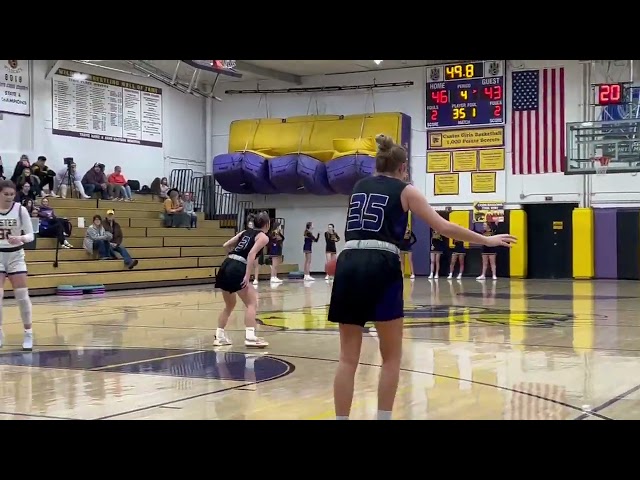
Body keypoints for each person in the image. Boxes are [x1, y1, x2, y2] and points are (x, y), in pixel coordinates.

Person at [328, 134, 516, 420]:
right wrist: (487, 241)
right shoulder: (407, 190)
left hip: (349, 259)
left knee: (347, 358)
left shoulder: (358, 187)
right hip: (381, 261)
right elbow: (444, 227)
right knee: (391, 357)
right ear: (403, 168)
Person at [213, 211, 271, 348]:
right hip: (238, 267)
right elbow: (251, 254)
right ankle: (250, 337)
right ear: (267, 224)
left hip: (226, 264)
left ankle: (219, 336)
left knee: (229, 305)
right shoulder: (263, 237)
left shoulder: (245, 232)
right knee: (252, 303)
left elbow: (225, 245)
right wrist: (246, 275)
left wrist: (233, 259)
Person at [0, 180, 36, 351]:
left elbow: (31, 235)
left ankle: (28, 332)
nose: (8, 197)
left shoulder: (20, 210)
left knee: (22, 296)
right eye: (5, 194)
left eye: (11, 194)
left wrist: (20, 238)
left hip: (16, 255)